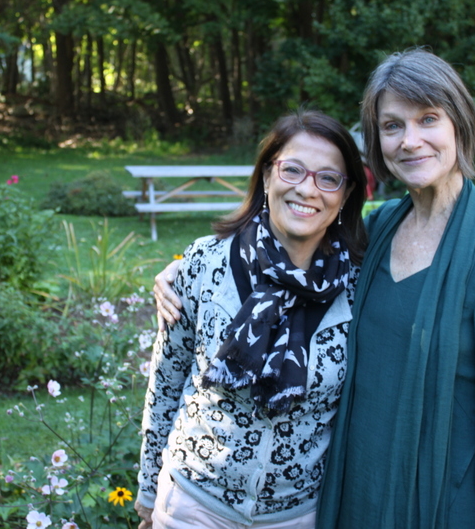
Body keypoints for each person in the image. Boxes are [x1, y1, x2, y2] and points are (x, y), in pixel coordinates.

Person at [153, 48, 475, 529]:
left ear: (460, 124)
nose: (410, 140)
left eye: (428, 119)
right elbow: (293, 243)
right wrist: (181, 268)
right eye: (392, 125)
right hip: (353, 487)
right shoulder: (375, 232)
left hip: (441, 501)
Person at [135, 110, 368, 529]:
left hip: (298, 516)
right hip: (193, 506)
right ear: (266, 176)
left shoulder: (360, 286)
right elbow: (166, 380)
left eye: (328, 178)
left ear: (346, 195)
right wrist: (149, 492)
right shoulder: (205, 263)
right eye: (292, 170)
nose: (307, 189)